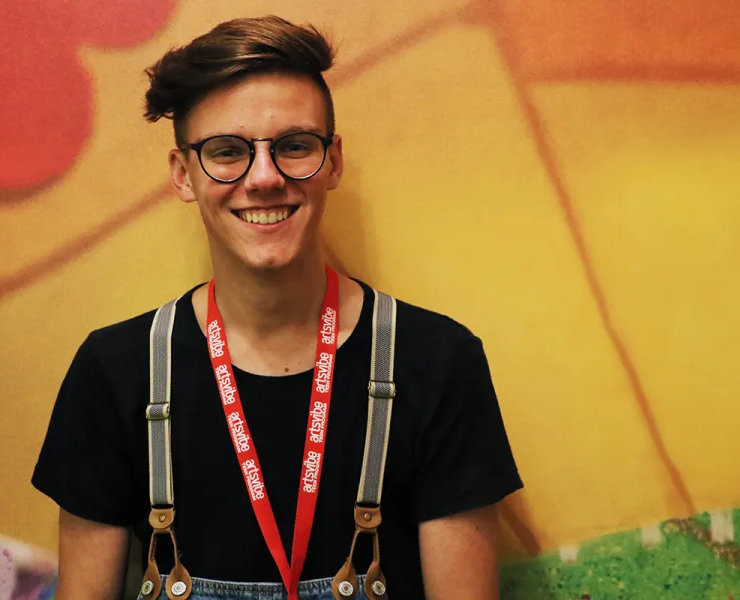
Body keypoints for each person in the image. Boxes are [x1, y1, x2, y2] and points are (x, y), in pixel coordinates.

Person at [32, 15, 523, 600]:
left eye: (293, 146)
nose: (263, 178)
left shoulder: (440, 362)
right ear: (182, 175)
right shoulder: (113, 371)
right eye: (226, 151)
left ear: (333, 161)